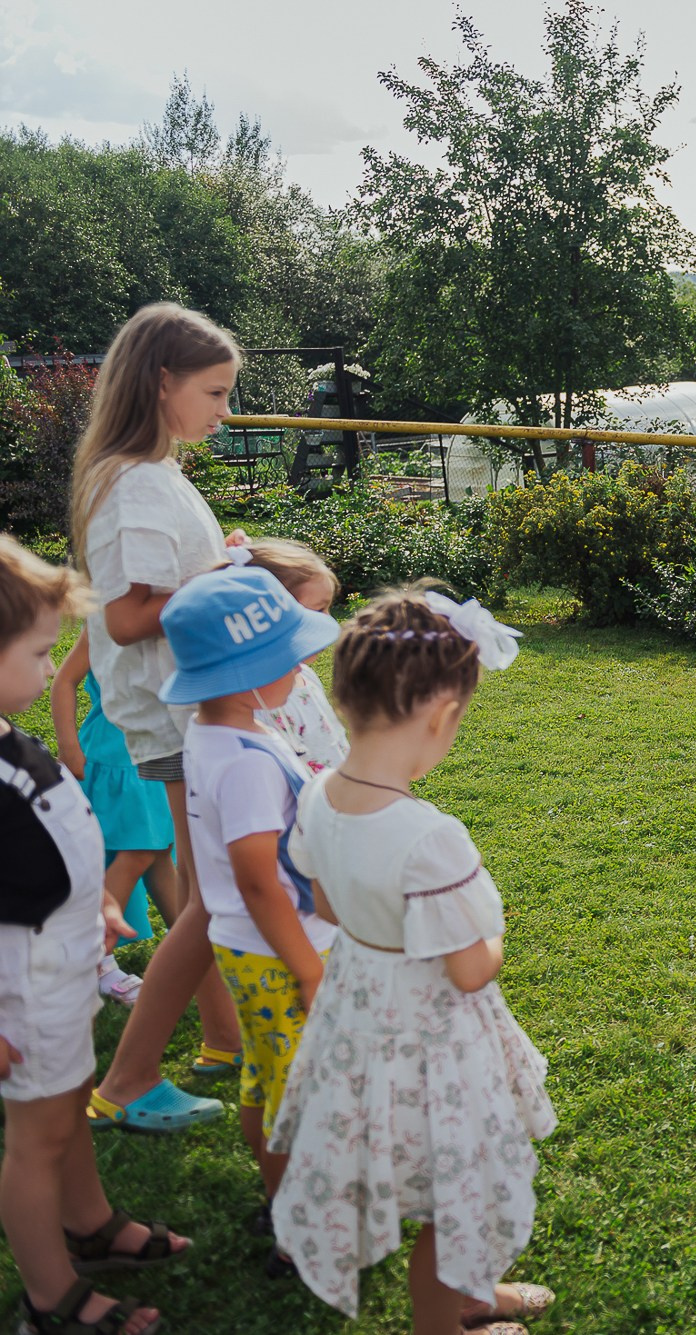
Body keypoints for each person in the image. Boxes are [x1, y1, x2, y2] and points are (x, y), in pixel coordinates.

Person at [272, 586, 554, 1335]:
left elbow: (327, 908)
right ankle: (449, 1319)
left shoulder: (317, 797)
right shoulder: (432, 838)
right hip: (433, 1045)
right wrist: (493, 937)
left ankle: (474, 1290)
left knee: (424, 1180)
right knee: (446, 1191)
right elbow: (468, 970)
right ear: (441, 716)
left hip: (359, 1017)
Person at [0, 533, 189, 1335]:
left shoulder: (9, 738)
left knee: (70, 1100)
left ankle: (91, 1221)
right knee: (37, 1136)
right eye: (39, 652)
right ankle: (49, 1295)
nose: (52, 672)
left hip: (63, 964)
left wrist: (98, 907)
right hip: (19, 992)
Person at [72, 302, 245, 1132]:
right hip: (177, 714)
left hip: (187, 707)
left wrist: (221, 563)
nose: (225, 410)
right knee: (213, 900)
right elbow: (129, 617)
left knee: (199, 889)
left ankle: (222, 1036)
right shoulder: (136, 485)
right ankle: (131, 1078)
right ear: (162, 381)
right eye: (214, 393)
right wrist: (225, 581)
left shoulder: (154, 474)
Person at [158, 563, 340, 1275]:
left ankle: (281, 1201)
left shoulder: (218, 735)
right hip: (274, 952)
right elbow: (259, 881)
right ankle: (305, 1231)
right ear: (247, 673)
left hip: (247, 949)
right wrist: (308, 966)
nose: (301, 668)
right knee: (305, 1094)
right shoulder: (246, 761)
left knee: (267, 1082)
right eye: (288, 657)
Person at [49, 628, 173, 1006]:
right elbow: (64, 681)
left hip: (157, 755)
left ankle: (199, 943)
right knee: (133, 854)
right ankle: (94, 961)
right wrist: (69, 747)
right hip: (115, 758)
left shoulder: (172, 613)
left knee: (159, 854)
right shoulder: (104, 623)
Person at [231, 539, 348, 773]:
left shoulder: (305, 675)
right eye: (318, 610)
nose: (330, 621)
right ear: (268, 617)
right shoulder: (261, 703)